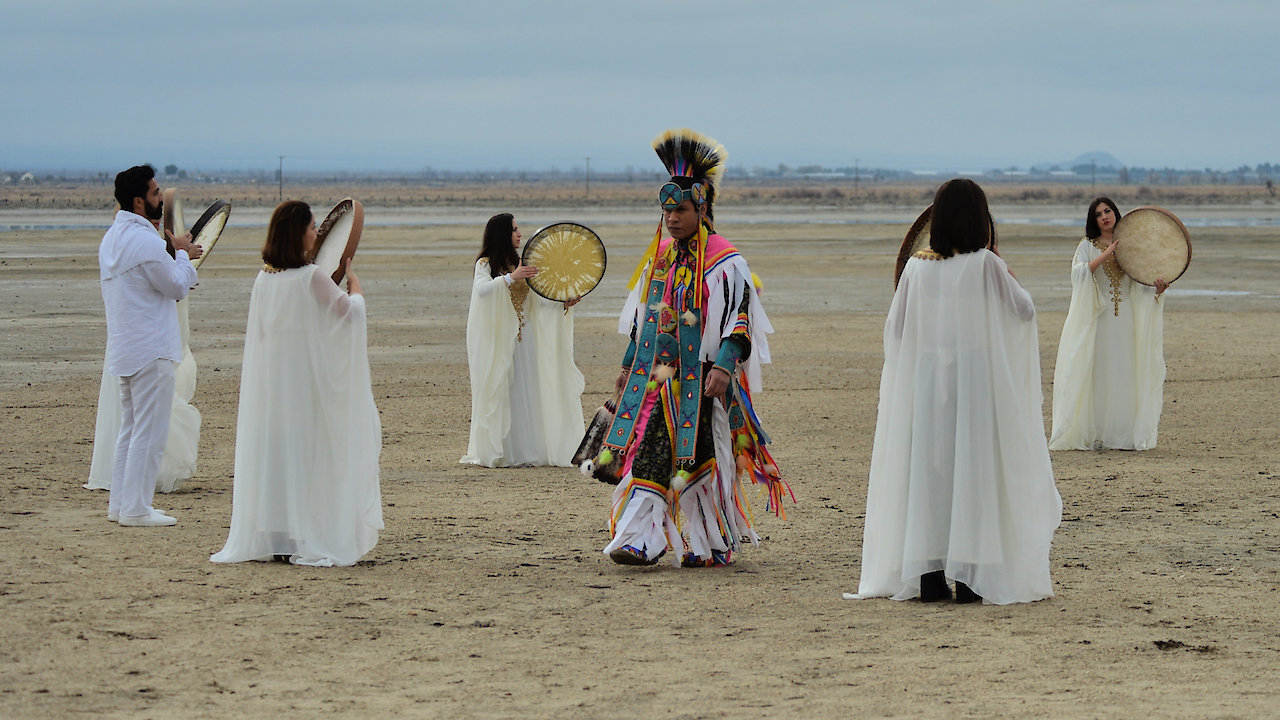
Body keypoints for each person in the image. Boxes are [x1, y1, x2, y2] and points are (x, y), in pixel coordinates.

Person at [851, 179, 1061, 604]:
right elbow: (1024, 312)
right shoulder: (986, 264)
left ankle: (929, 576)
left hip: (927, 385)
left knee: (929, 474)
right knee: (974, 471)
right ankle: (970, 579)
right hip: (977, 383)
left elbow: (896, 330)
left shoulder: (916, 268)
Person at [596, 128, 787, 568]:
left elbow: (740, 317)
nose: (672, 219)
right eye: (667, 211)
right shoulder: (660, 257)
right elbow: (644, 318)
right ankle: (640, 538)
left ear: (701, 209)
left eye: (680, 210)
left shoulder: (725, 259)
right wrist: (629, 365)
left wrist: (723, 365)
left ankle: (710, 543)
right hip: (659, 378)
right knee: (653, 451)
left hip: (701, 379)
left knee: (699, 459)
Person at [210, 201, 382, 567]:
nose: (316, 232)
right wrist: (356, 288)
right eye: (311, 226)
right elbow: (347, 314)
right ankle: (305, 531)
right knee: (307, 453)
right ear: (297, 232)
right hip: (303, 382)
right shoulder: (311, 277)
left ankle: (279, 533)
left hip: (272, 384)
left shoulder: (264, 278)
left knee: (278, 455)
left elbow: (260, 333)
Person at [98, 165, 201, 527]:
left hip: (126, 348)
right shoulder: (144, 242)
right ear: (139, 201)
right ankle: (137, 508)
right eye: (156, 193)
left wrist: (173, 251)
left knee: (130, 430)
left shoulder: (113, 238)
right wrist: (185, 253)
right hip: (151, 348)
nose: (161, 199)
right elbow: (175, 286)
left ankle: (121, 505)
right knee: (149, 433)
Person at [459, 213, 585, 468]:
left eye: (518, 229)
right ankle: (504, 450)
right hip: (500, 341)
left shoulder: (522, 263)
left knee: (527, 389)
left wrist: (562, 303)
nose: (519, 233)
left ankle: (528, 449)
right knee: (504, 387)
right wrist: (510, 278)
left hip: (525, 340)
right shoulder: (485, 264)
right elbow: (482, 292)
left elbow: (537, 300)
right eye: (514, 229)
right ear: (502, 234)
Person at [1049, 197, 1168, 451]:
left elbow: (1139, 284)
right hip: (1099, 319)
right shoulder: (1087, 245)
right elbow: (1078, 273)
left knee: (1124, 371)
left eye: (1108, 211)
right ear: (1093, 221)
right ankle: (1097, 432)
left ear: (1116, 213)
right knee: (1098, 372)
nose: (1105, 216)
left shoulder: (1130, 246)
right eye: (1098, 214)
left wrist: (1157, 290)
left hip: (1125, 319)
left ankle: (1122, 434)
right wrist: (1106, 254)